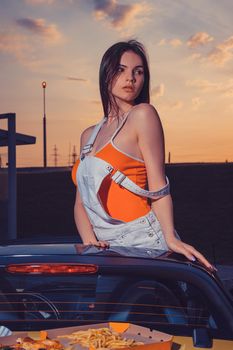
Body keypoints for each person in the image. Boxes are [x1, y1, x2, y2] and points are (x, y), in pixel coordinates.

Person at [72, 40, 215, 271]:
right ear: (105, 73)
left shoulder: (143, 115)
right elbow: (81, 203)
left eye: (138, 72)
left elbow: (159, 187)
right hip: (105, 249)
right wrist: (90, 243)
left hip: (144, 242)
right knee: (112, 308)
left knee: (157, 306)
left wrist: (169, 237)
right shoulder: (88, 135)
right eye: (121, 70)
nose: (131, 78)